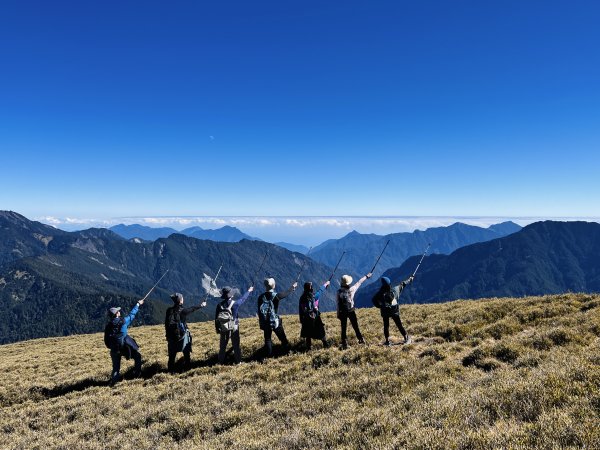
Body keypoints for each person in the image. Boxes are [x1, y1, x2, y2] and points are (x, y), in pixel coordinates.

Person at [164, 293, 208, 373]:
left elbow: (167, 324)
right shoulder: (183, 311)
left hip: (171, 337)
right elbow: (192, 309)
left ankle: (170, 371)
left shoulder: (169, 310)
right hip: (182, 336)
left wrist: (167, 336)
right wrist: (201, 305)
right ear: (180, 301)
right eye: (182, 298)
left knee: (172, 356)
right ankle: (187, 368)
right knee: (186, 352)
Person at [104, 299, 144, 386]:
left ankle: (114, 382)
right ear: (116, 314)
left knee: (116, 368)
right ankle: (137, 374)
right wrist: (138, 304)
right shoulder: (123, 322)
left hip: (114, 350)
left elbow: (106, 342)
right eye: (118, 311)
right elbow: (132, 315)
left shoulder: (108, 326)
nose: (119, 311)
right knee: (137, 356)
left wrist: (112, 347)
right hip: (124, 347)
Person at [257, 278, 298, 357]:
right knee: (283, 338)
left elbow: (259, 311)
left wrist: (262, 322)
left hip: (265, 322)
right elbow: (286, 293)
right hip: (275, 321)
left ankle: (268, 357)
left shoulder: (260, 297)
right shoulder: (276, 296)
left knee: (268, 339)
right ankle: (287, 353)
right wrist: (292, 287)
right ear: (273, 285)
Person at [215, 285, 254, 364]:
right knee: (236, 345)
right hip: (234, 326)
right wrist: (249, 291)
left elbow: (216, 318)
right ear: (231, 295)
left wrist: (217, 328)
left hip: (223, 327)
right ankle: (238, 361)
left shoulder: (219, 305)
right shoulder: (235, 304)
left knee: (222, 346)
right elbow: (243, 298)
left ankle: (220, 362)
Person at [372, 276, 414, 345]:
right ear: (390, 283)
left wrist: (380, 306)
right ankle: (406, 338)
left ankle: (387, 341)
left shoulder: (380, 293)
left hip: (385, 312)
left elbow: (373, 300)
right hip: (394, 311)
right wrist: (410, 279)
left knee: (386, 326)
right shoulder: (395, 290)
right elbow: (403, 284)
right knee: (399, 324)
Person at [337, 272, 372, 349]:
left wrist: (338, 314)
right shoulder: (351, 289)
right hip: (351, 310)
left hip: (342, 312)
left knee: (343, 328)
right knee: (355, 326)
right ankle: (361, 339)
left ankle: (344, 343)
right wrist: (367, 276)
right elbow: (359, 282)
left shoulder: (338, 292)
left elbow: (338, 303)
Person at [299, 281, 330, 350]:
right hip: (315, 317)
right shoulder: (314, 296)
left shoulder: (302, 298)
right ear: (311, 288)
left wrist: (301, 319)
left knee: (308, 334)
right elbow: (320, 290)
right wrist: (326, 284)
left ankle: (308, 348)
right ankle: (325, 344)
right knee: (320, 330)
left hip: (306, 318)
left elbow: (301, 310)